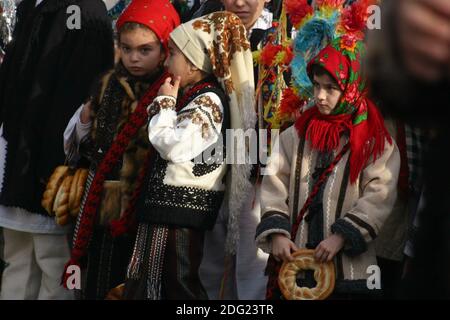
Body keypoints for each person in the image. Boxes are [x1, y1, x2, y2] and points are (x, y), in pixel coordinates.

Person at [122, 11, 256, 300]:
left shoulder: (208, 100)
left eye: (172, 54)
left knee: (178, 284)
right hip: (166, 211)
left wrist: (164, 104)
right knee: (149, 280)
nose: (166, 62)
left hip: (180, 214)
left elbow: (174, 146)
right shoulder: (194, 94)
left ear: (194, 63)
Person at [61, 0, 180, 300]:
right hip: (99, 202)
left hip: (142, 210)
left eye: (144, 50)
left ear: (165, 48)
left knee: (132, 284)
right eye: (126, 49)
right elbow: (79, 145)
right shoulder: (108, 84)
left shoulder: (171, 90)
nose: (133, 58)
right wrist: (85, 121)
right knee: (95, 282)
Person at [0, 0, 113, 300]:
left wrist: (55, 165)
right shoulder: (35, 6)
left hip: (49, 167)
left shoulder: (83, 11)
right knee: (20, 259)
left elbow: (78, 95)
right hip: (18, 162)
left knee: (54, 264)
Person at [198, 0, 273, 300]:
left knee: (253, 262)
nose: (240, 2)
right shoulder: (206, 30)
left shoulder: (283, 35)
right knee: (211, 260)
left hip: (259, 163)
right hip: (211, 156)